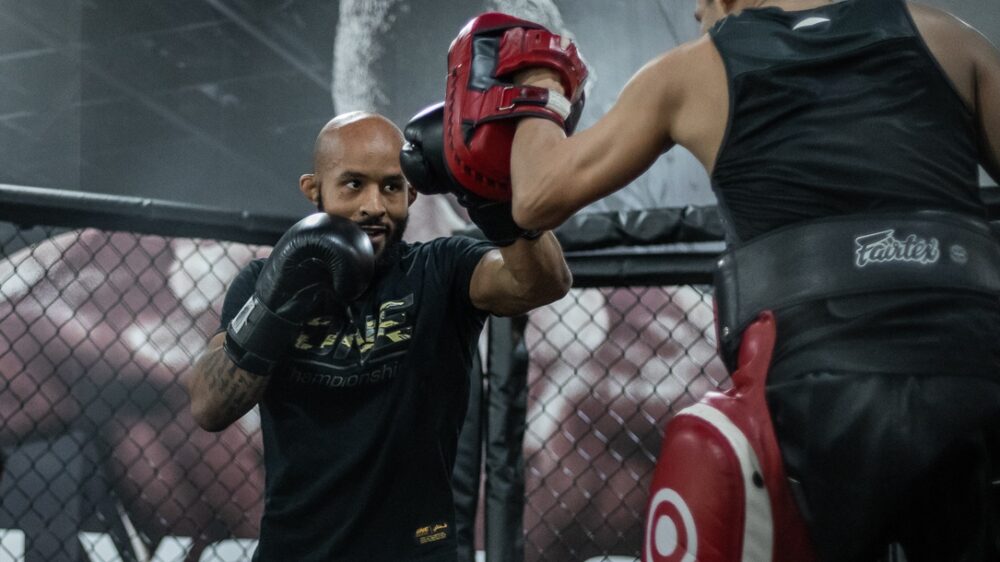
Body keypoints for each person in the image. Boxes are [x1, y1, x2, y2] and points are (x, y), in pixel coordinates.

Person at [434, 1, 1000, 560]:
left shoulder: (693, 71)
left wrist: (539, 79)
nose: (696, 16)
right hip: (975, 365)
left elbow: (536, 198)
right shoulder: (949, 38)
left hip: (818, 386)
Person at [182, 111, 571, 561]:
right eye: (353, 184)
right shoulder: (262, 281)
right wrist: (273, 308)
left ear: (411, 193)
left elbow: (542, 284)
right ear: (314, 190)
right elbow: (209, 407)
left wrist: (490, 195)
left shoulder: (441, 270)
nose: (374, 206)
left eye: (390, 187)